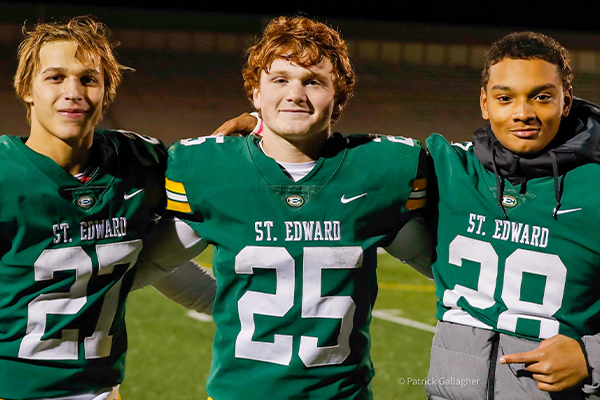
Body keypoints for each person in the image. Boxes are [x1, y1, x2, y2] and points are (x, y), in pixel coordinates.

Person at [138, 15, 433, 400]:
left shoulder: (377, 173)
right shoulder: (213, 172)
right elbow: (151, 265)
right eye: (280, 80)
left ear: (339, 97)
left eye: (313, 81)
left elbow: (453, 270)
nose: (295, 93)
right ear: (255, 94)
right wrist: (227, 303)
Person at [1, 15, 221, 400]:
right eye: (55, 77)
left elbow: (149, 259)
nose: (74, 91)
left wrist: (254, 125)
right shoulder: (6, 177)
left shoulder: (138, 161)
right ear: (27, 89)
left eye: (89, 78)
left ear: (106, 90)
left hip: (100, 390)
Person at [424, 31, 600, 399]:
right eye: (506, 98)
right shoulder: (450, 170)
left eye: (541, 97)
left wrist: (591, 358)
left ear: (566, 102)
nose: (523, 113)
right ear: (485, 104)